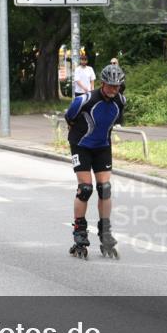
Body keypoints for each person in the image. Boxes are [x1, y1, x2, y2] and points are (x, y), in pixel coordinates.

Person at [64, 63, 127, 259]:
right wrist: (80, 135)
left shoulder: (121, 101)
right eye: (110, 86)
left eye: (117, 86)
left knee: (105, 188)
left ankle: (105, 232)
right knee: (85, 189)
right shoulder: (85, 100)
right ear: (102, 83)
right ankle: (80, 233)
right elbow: (70, 118)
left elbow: (111, 124)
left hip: (102, 147)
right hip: (81, 145)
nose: (113, 90)